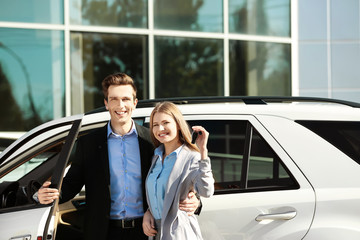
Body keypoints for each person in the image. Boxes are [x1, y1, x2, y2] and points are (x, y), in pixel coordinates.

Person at [36, 73, 200, 240]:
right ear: (106, 103)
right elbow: (71, 184)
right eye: (114, 99)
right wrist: (45, 194)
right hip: (104, 233)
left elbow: (178, 173)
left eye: (126, 99)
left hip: (146, 231)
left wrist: (196, 201)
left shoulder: (152, 140)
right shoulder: (89, 143)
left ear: (134, 103)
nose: (120, 105)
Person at [142, 102, 214, 240]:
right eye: (155, 125)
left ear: (178, 124)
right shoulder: (156, 157)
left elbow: (206, 190)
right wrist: (149, 212)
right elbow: (158, 195)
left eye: (165, 122)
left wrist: (203, 151)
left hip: (179, 233)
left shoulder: (191, 157)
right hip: (156, 233)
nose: (160, 128)